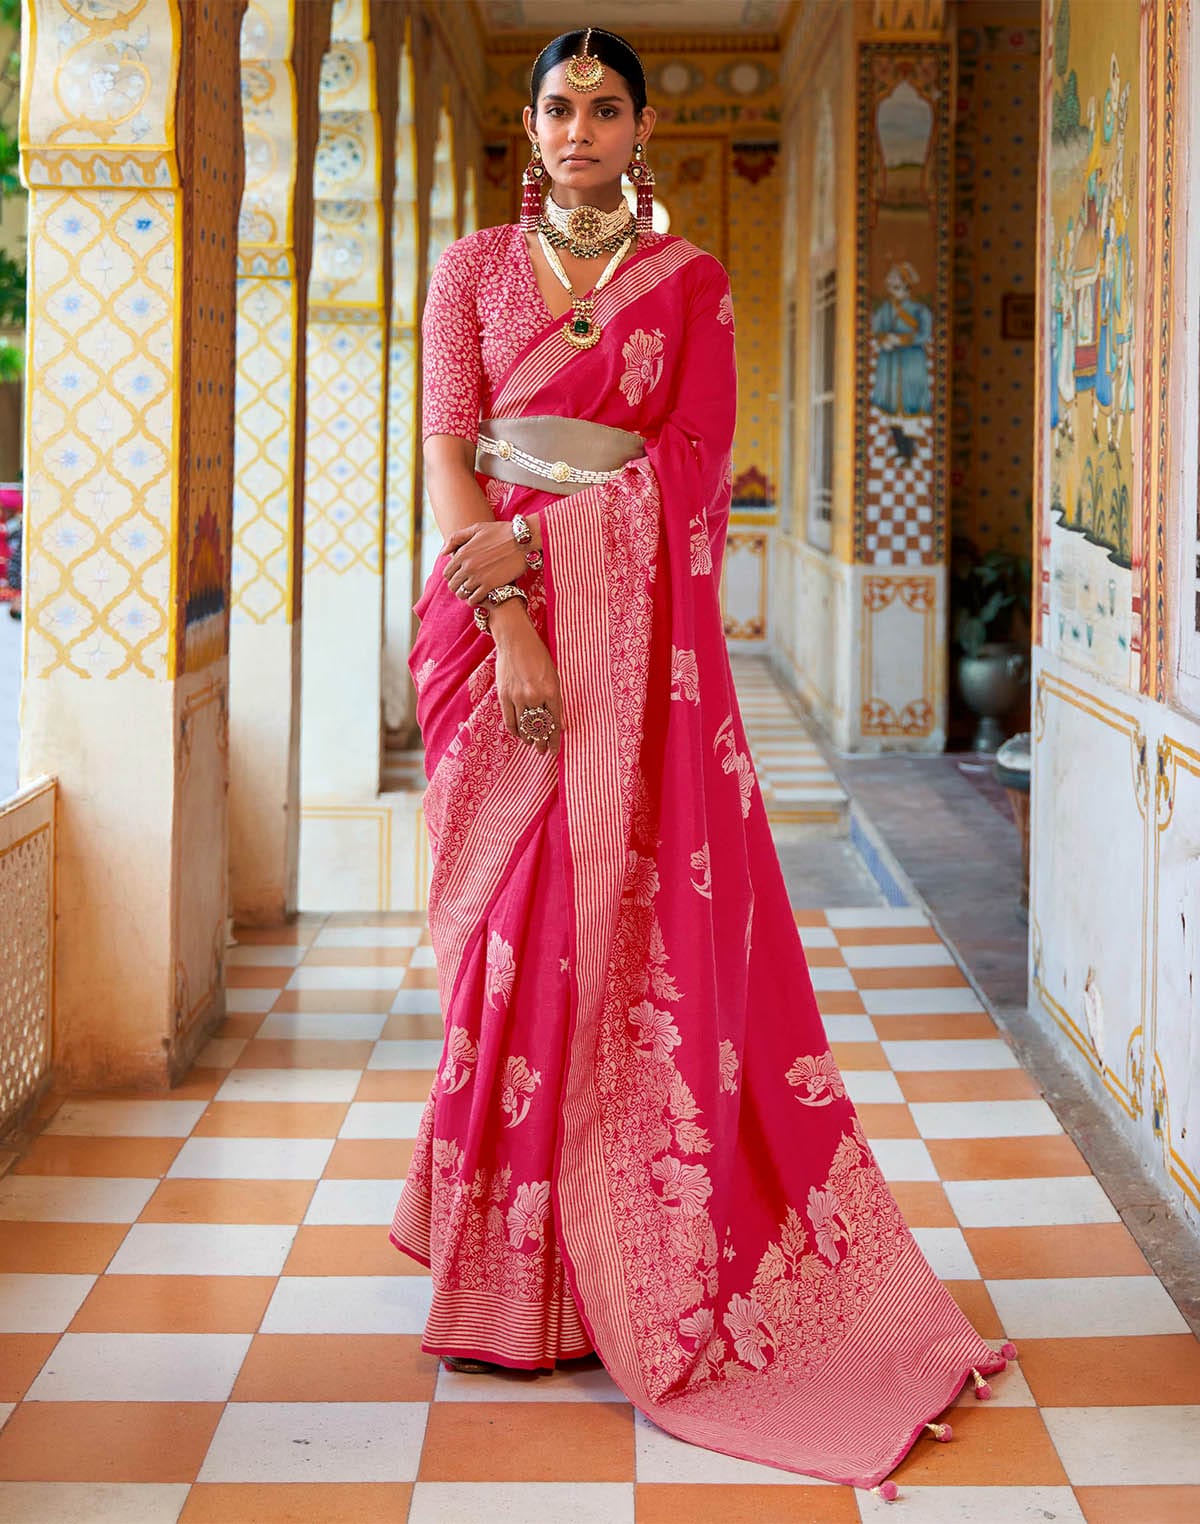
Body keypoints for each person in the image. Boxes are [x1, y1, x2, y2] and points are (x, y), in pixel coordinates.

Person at [390, 25, 1010, 1495]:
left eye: (606, 106)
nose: (580, 128)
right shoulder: (470, 269)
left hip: (633, 662)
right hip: (491, 627)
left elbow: (689, 474)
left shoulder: (693, 287)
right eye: (558, 106)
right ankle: (514, 1284)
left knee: (606, 935)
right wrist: (509, 610)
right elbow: (446, 444)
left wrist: (544, 548)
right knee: (509, 947)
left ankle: (631, 1261)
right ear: (530, 128)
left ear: (643, 125)